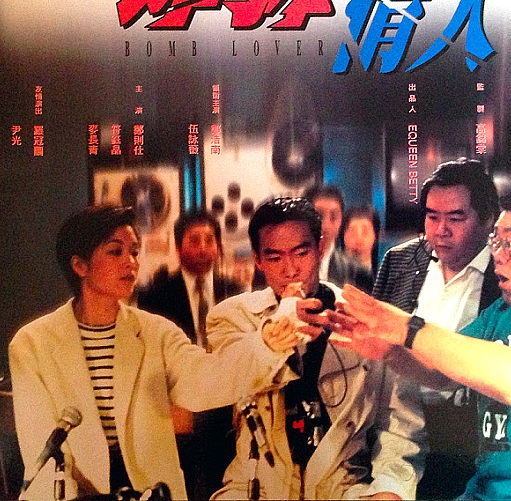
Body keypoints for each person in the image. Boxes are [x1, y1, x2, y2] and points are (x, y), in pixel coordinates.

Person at [327, 186, 511, 500]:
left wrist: (408, 328)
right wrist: (391, 351)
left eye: (510, 243)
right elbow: (443, 373)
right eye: (495, 242)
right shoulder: (505, 312)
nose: (497, 254)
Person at [9, 205, 301, 501]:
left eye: (134, 252)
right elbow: (41, 448)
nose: (131, 262)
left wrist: (266, 346)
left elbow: (208, 380)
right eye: (115, 252)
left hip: (153, 492)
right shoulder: (32, 344)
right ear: (80, 265)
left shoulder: (156, 332)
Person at [207, 197, 425, 500]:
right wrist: (280, 327)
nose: (290, 270)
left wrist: (390, 488)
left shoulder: (363, 317)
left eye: (301, 253)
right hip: (256, 486)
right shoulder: (232, 317)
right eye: (274, 258)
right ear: (258, 260)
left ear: (320, 248)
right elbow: (229, 374)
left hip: (343, 486)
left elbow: (400, 425)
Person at [373, 158, 500, 498]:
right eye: (432, 217)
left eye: (456, 218)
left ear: (488, 219)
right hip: (397, 429)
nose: (441, 229)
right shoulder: (400, 260)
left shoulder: (504, 276)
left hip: (467, 441)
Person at [138, 210, 244, 500]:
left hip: (225, 405)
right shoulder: (155, 295)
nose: (203, 247)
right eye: (194, 240)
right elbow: (152, 358)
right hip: (179, 407)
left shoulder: (236, 292)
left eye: (209, 240)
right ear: (178, 246)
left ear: (218, 246)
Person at [302, 184, 374, 293]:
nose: (326, 225)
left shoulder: (357, 273)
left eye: (334, 217)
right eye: (319, 216)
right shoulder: (286, 267)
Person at [341, 205, 380, 276]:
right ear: (343, 235)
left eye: (365, 232)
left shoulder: (384, 275)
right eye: (352, 232)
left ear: (375, 236)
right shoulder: (331, 272)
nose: (359, 239)